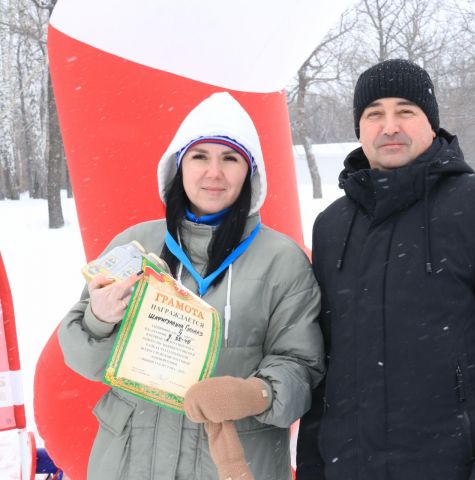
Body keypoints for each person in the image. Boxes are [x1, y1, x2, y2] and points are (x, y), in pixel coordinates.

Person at [296, 59, 475, 480]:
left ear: (431, 123)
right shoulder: (331, 226)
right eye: (374, 114)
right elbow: (323, 367)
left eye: (405, 111)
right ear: (359, 128)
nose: (390, 126)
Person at [58, 91, 324, 480]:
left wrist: (255, 393)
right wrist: (99, 319)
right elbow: (84, 360)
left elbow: (302, 367)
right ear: (179, 167)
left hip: (232, 461)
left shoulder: (282, 260)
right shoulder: (136, 245)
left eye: (229, 158)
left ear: (249, 173)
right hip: (130, 462)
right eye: (200, 157)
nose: (213, 173)